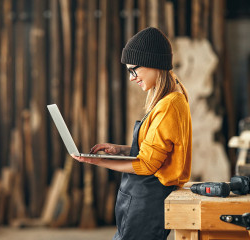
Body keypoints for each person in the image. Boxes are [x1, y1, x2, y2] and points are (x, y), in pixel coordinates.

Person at [72, 27, 192, 240]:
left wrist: (95, 161)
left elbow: (147, 165)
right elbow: (158, 151)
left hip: (146, 205)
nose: (132, 78)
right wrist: (119, 150)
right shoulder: (172, 95)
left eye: (133, 70)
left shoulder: (169, 105)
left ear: (152, 62)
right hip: (140, 202)